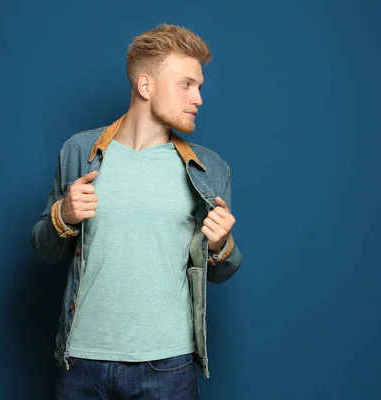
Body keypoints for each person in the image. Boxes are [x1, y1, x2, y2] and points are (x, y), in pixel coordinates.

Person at [30, 23, 242, 400]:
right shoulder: (80, 152)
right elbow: (45, 250)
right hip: (82, 360)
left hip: (167, 365)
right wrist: (64, 215)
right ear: (145, 86)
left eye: (199, 87)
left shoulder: (210, 169)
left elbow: (222, 272)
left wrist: (221, 244)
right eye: (186, 84)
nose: (199, 99)